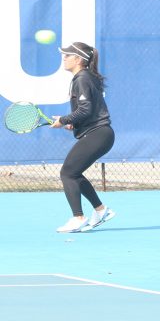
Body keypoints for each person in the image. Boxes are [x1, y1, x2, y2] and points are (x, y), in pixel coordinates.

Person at [52, 42, 116, 233]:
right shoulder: (85, 77)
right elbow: (89, 110)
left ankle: (78, 217)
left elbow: (86, 109)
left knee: (68, 173)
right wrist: (73, 122)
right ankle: (101, 210)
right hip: (99, 133)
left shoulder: (82, 78)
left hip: (99, 134)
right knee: (74, 173)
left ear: (78, 59)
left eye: (67, 55)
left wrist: (63, 120)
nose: (63, 58)